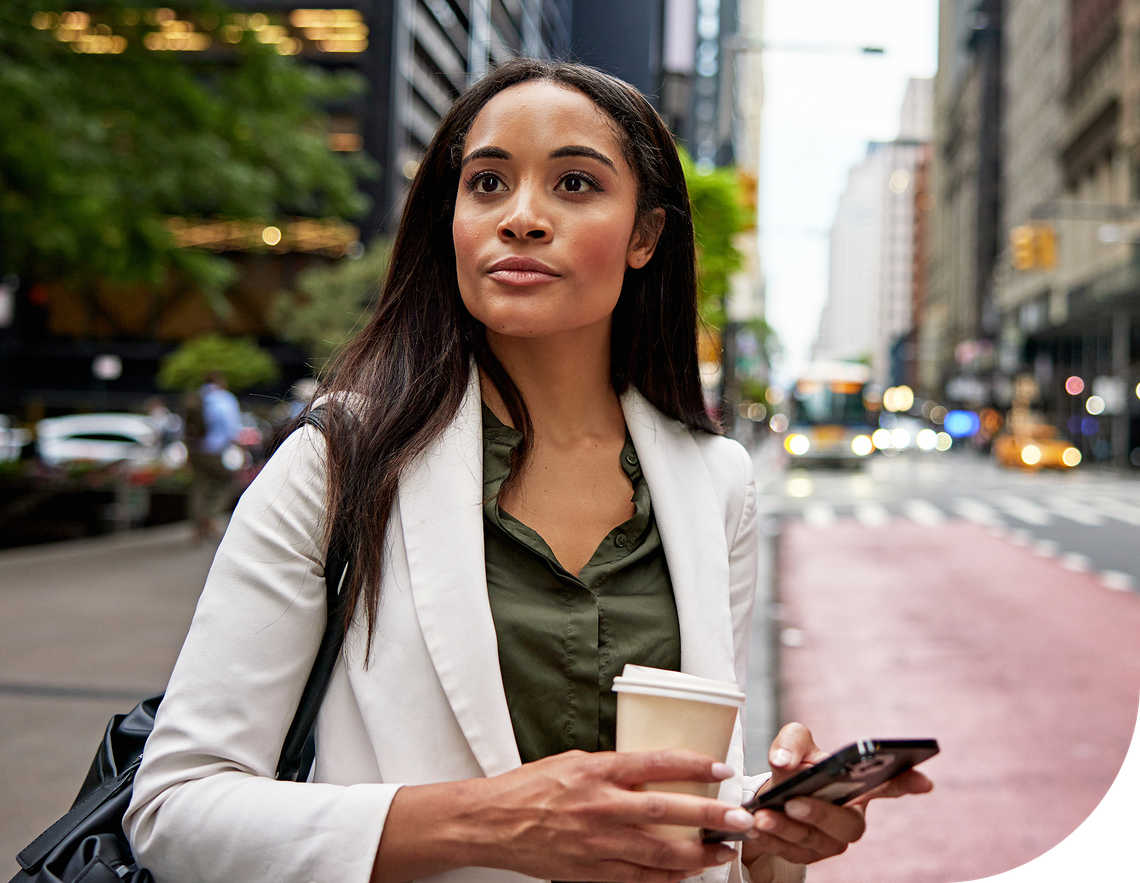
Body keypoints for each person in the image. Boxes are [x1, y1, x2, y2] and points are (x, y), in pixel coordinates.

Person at [125, 60, 931, 883]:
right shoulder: (336, 463)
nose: (521, 218)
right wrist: (490, 824)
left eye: (575, 183)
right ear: (453, 219)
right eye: (487, 184)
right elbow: (177, 807)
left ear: (645, 235)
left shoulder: (715, 482)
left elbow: (677, 803)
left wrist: (764, 826)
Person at [183, 371, 242, 541]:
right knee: (228, 483)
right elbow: (232, 428)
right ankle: (210, 516)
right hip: (216, 450)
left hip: (196, 450)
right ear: (220, 381)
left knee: (199, 486)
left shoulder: (196, 397)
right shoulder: (224, 399)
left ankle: (199, 522)